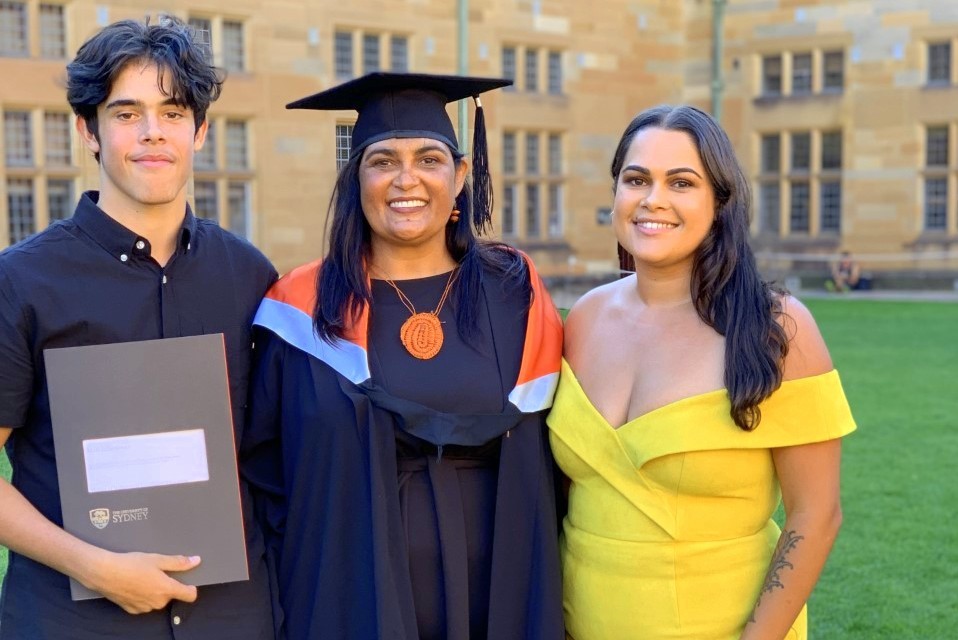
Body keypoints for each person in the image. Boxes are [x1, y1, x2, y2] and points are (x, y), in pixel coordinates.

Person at [241, 72, 565, 640]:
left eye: (429, 159)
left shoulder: (515, 294)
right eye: (383, 160)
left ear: (461, 175)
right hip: (350, 602)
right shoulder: (302, 309)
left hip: (498, 602)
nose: (406, 179)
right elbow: (265, 474)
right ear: (356, 179)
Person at [0, 17, 276, 640]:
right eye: (126, 113)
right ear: (88, 131)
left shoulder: (249, 276)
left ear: (200, 131)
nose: (153, 133)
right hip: (75, 621)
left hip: (231, 618)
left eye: (173, 112)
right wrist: (92, 565)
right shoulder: (21, 282)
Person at [547, 105, 856, 640]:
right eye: (636, 179)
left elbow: (817, 514)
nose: (653, 199)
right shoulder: (584, 319)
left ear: (720, 201)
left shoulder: (776, 329)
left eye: (681, 182)